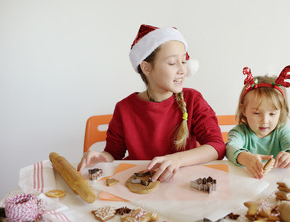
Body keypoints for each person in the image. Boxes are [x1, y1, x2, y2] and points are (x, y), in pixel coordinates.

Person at [77, 24, 225, 182]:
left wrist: (177, 160)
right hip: (138, 185)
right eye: (172, 63)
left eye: (184, 61)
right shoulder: (124, 108)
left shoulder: (193, 100)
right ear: (146, 68)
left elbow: (217, 146)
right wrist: (102, 157)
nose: (183, 69)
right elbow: (114, 153)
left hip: (180, 183)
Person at [226, 65, 290, 179]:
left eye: (272, 114)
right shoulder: (240, 132)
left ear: (280, 112)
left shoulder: (281, 131)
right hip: (246, 182)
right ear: (244, 110)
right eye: (257, 113)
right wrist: (245, 157)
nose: (265, 120)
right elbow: (230, 148)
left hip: (276, 183)